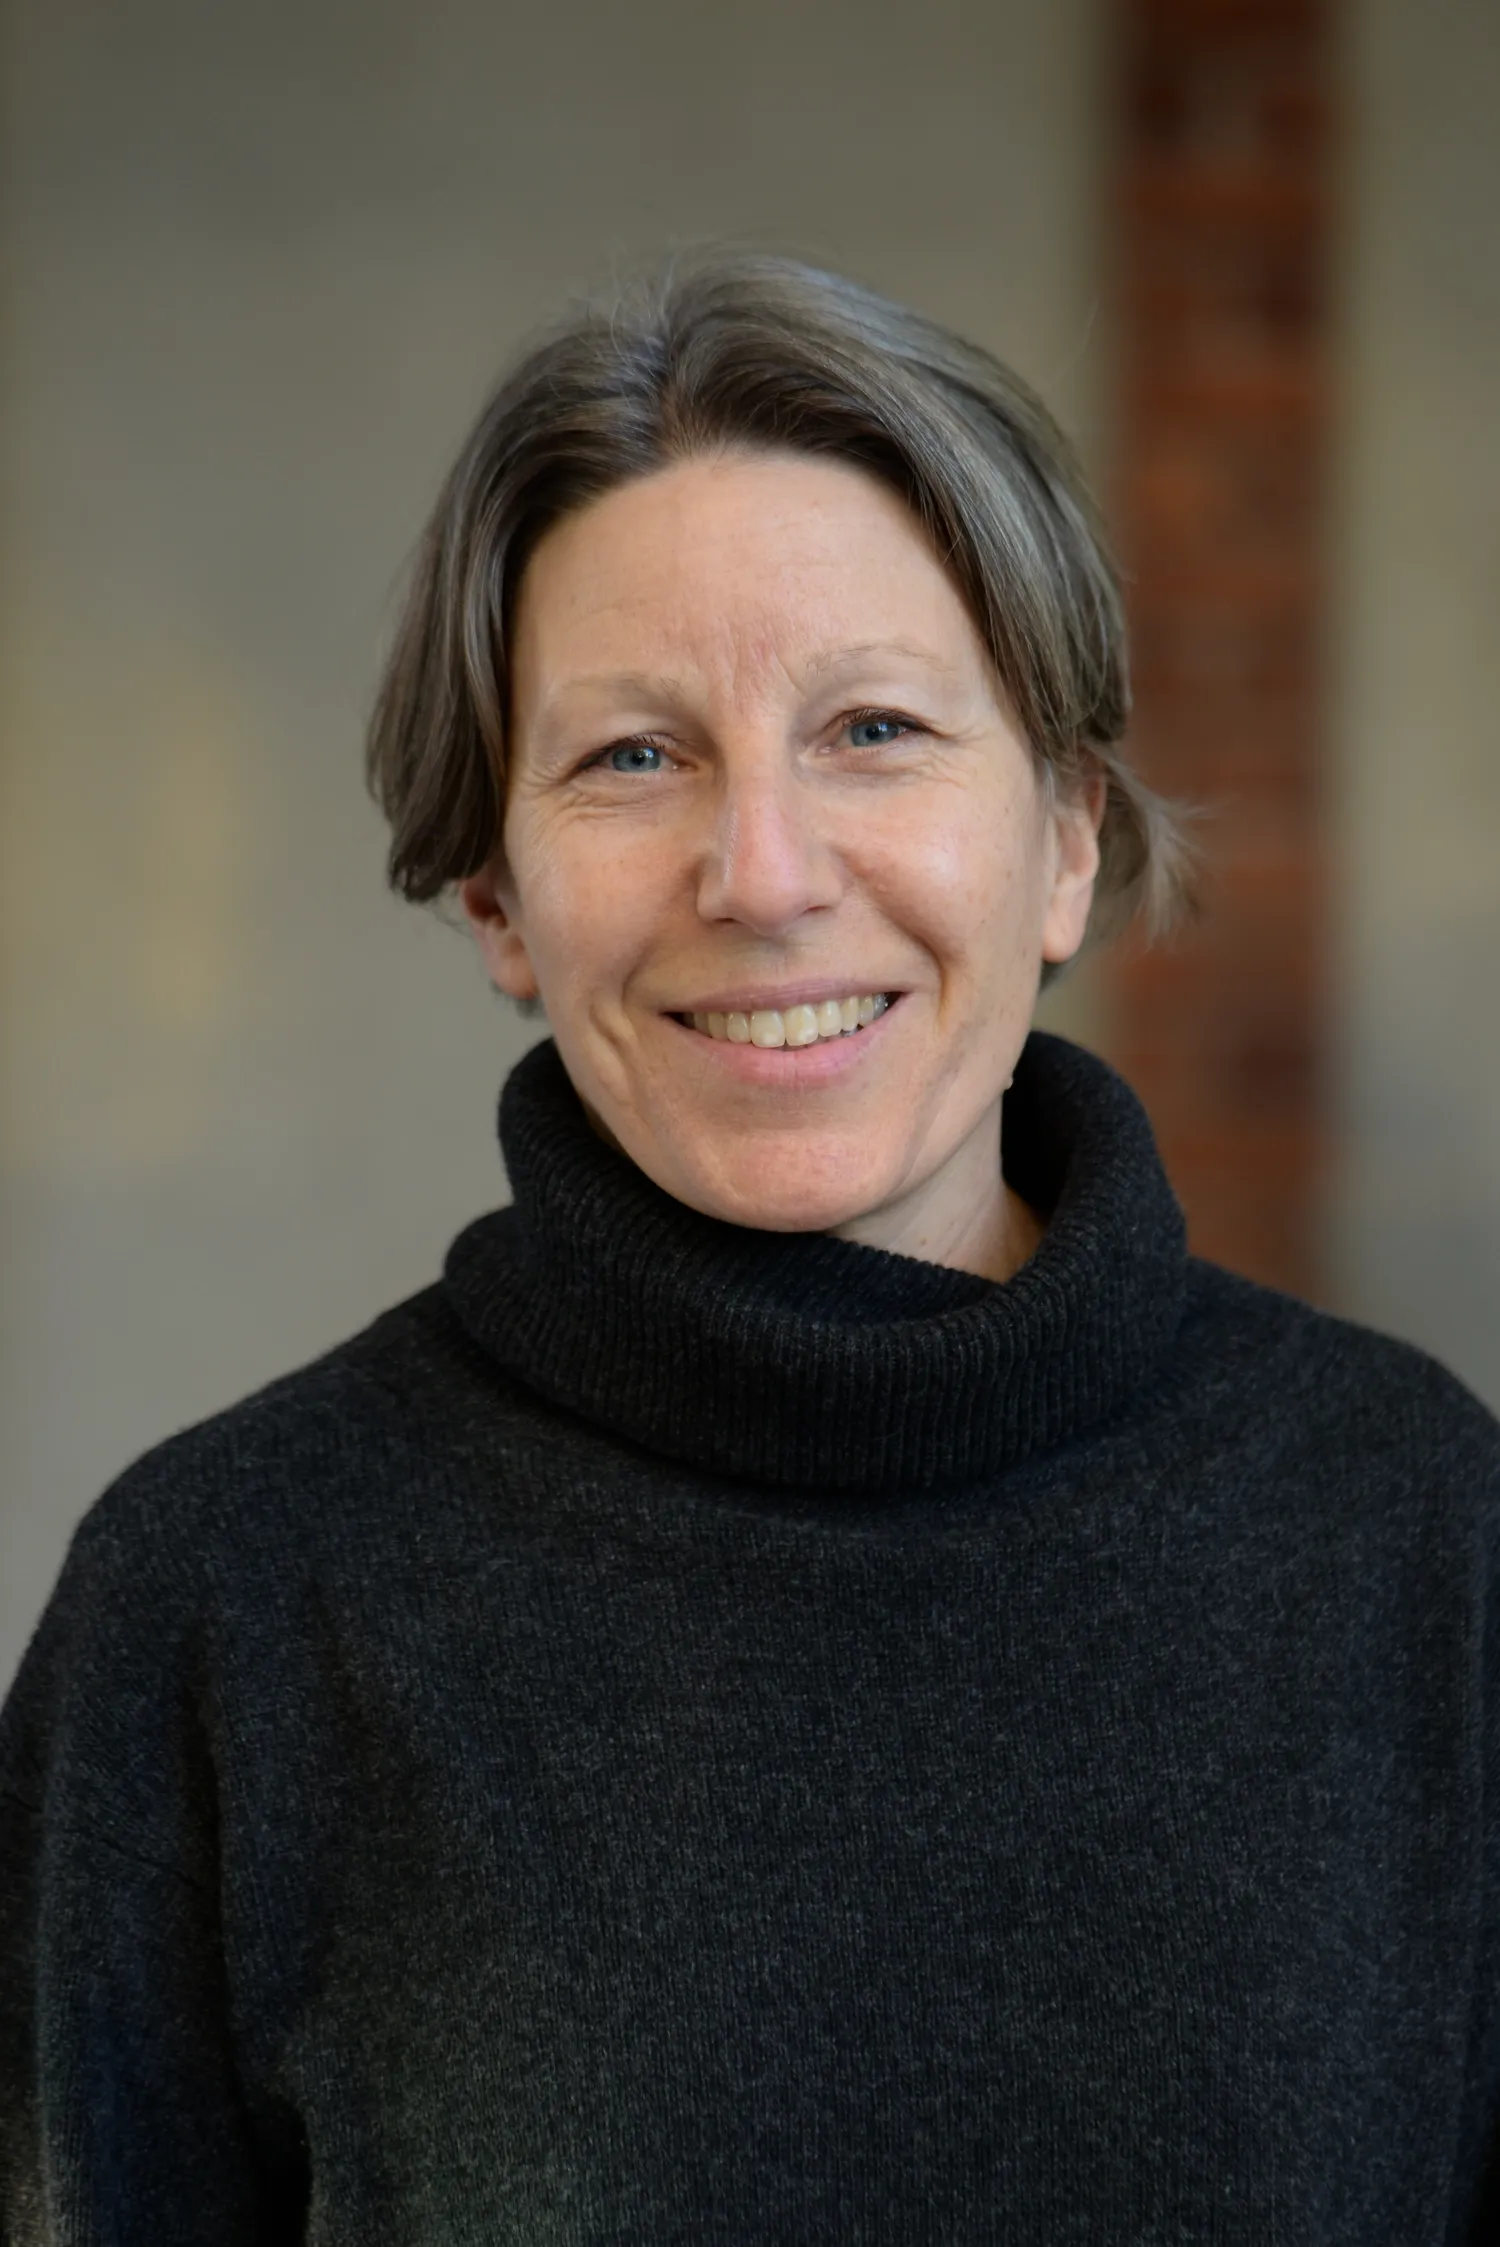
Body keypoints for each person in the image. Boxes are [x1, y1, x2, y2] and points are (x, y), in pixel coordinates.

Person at [2, 249, 1497, 2244]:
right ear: (500, 901)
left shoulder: (1417, 1533)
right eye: (634, 755)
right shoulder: (226, 1605)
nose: (765, 873)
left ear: (1061, 837)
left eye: (874, 727)